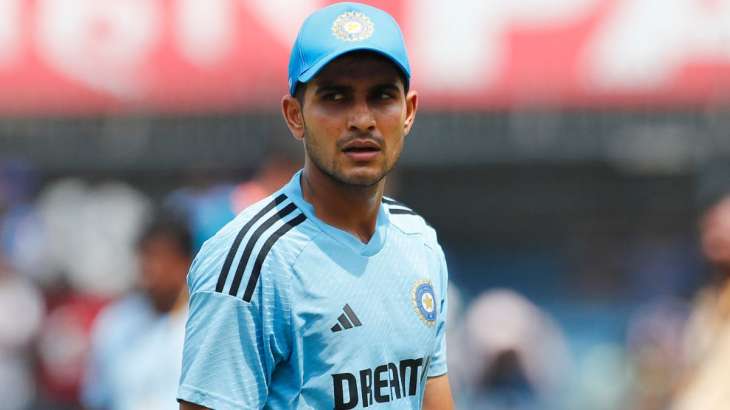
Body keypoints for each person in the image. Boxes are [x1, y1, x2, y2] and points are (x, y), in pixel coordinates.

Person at [177, 2, 453, 409]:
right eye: (336, 98)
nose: (362, 119)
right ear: (295, 116)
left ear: (408, 112)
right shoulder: (250, 261)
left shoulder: (420, 244)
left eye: (381, 96)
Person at [82, 216, 193, 410]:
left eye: (162, 258)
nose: (152, 268)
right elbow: (97, 398)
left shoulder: (201, 324)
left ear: (185, 262)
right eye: (146, 256)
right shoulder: (116, 321)